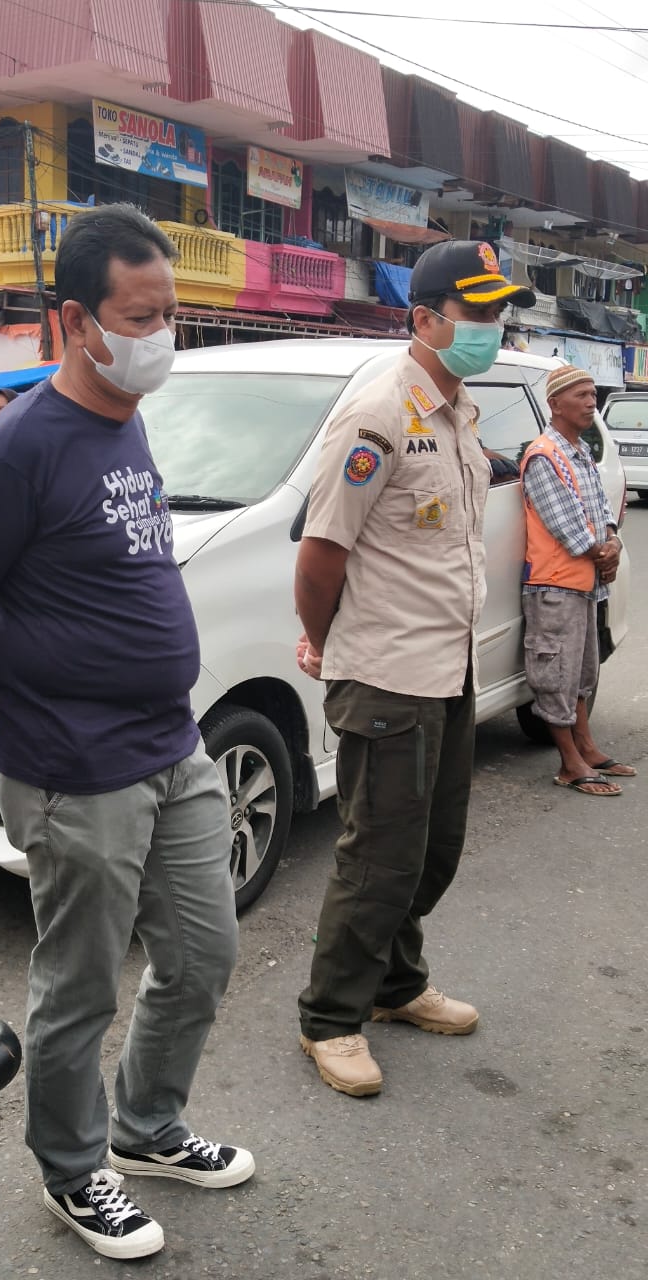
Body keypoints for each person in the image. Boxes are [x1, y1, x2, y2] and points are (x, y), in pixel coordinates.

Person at [0, 203, 253, 1262]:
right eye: (140, 314)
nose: (163, 334)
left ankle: (149, 1125)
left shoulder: (129, 417)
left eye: (171, 314)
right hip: (73, 765)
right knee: (80, 982)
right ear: (74, 319)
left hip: (172, 742)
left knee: (204, 950)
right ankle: (75, 1170)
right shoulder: (17, 450)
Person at [294, 240, 536, 1098]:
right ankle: (331, 1016)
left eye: (497, 310)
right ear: (424, 318)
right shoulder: (378, 413)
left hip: (447, 665)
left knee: (434, 847)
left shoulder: (458, 410)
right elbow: (322, 552)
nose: (491, 326)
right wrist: (325, 645)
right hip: (388, 670)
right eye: (475, 311)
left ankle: (394, 986)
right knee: (380, 855)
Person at [520, 365, 634, 797]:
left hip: (584, 581)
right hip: (555, 584)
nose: (591, 403)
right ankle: (570, 763)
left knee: (582, 672)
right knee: (557, 675)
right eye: (582, 396)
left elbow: (602, 511)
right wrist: (602, 553)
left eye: (592, 395)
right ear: (555, 405)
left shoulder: (579, 451)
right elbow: (566, 527)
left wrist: (613, 546)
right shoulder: (544, 455)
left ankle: (586, 748)